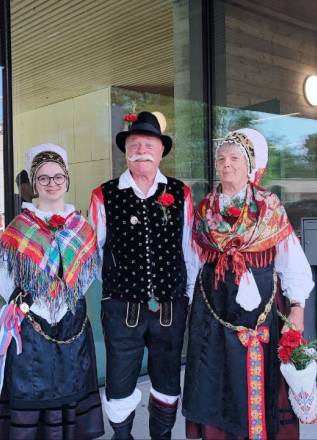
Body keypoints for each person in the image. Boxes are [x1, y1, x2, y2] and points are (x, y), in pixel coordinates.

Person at [183, 128, 314, 439]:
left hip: (262, 312)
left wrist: (297, 308)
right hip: (213, 309)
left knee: (260, 383)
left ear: (249, 164)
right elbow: (193, 261)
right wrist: (189, 305)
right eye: (221, 158)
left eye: (234, 158)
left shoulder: (268, 207)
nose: (226, 164)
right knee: (217, 381)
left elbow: (290, 258)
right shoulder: (204, 209)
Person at [88, 111, 199, 439]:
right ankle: (122, 437)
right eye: (134, 144)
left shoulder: (181, 193)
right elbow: (94, 252)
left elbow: (189, 250)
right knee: (120, 379)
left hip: (170, 306)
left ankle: (160, 436)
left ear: (161, 150)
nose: (141, 150)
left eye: (148, 144)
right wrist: (115, 286)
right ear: (126, 151)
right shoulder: (103, 194)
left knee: (167, 379)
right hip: (122, 309)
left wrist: (187, 296)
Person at [0, 144, 103, 439]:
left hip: (71, 324)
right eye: (44, 178)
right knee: (33, 390)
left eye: (58, 177)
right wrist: (32, 303)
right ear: (34, 185)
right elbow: (0, 275)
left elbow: (88, 273)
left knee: (68, 388)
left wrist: (64, 297)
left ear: (67, 180)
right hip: (31, 328)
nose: (52, 184)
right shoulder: (20, 226)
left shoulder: (81, 227)